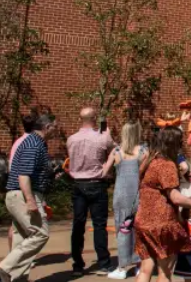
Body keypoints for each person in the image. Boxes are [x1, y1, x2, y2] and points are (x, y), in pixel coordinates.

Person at [0, 114, 58, 282]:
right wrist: (30, 200)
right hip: (22, 195)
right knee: (40, 234)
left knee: (22, 238)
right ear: (47, 127)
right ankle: (4, 268)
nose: (57, 130)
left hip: (21, 194)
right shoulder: (34, 144)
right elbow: (23, 175)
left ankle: (16, 279)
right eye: (55, 127)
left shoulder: (36, 143)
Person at [134, 127, 191, 282]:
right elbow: (175, 198)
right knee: (165, 271)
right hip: (162, 224)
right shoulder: (167, 165)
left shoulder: (149, 160)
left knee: (145, 270)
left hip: (143, 221)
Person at [66, 107, 115, 274]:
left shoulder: (71, 139)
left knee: (78, 224)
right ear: (95, 118)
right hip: (96, 182)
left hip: (78, 184)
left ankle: (77, 264)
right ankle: (103, 263)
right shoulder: (102, 138)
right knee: (99, 225)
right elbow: (115, 150)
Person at [103, 122, 145, 279]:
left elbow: (104, 172)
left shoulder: (116, 152)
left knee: (122, 230)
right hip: (138, 195)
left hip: (121, 196)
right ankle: (139, 266)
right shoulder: (143, 152)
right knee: (139, 231)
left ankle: (122, 267)